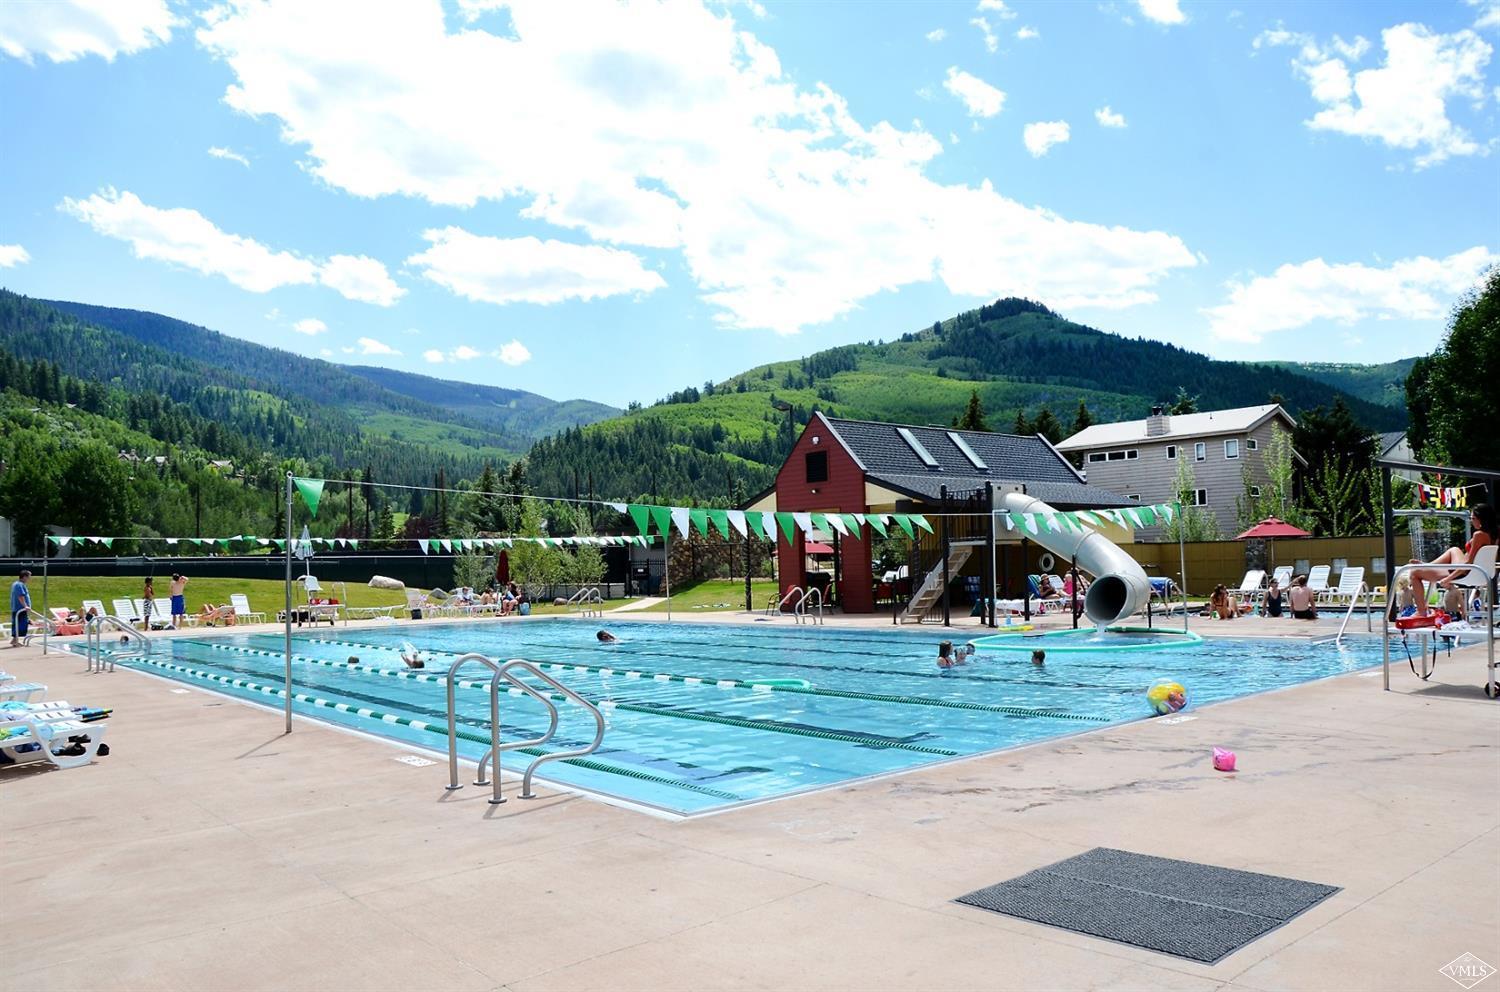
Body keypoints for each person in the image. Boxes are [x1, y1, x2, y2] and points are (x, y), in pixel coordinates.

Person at [1405, 504, 1496, 618]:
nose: (1471, 521)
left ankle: (1421, 612)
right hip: (1478, 573)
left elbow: (1468, 563)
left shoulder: (1479, 535)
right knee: (1454, 550)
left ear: (1481, 519)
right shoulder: (1493, 536)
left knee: (1414, 573)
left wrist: (1448, 579)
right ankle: (1428, 566)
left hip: (1465, 571)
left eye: (1473, 518)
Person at [9, 570, 31, 648]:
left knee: (18, 624)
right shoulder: (19, 585)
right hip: (20, 609)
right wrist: (25, 606)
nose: (29, 579)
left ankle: (15, 640)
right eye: (28, 577)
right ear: (24, 577)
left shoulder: (16, 584)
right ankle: (16, 641)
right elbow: (20, 596)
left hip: (17, 608)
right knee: (21, 625)